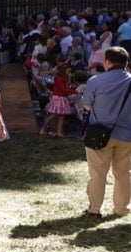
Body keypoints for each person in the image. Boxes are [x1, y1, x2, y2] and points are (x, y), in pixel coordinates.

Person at [81, 47, 131, 218]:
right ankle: (121, 209)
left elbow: (86, 106)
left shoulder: (96, 81)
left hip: (99, 134)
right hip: (127, 135)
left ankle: (94, 209)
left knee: (98, 173)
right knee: (123, 173)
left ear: (107, 62)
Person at [39, 63, 74, 137]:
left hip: (63, 98)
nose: (69, 73)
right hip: (58, 98)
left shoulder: (65, 79)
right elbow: (64, 90)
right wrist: (75, 92)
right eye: (68, 71)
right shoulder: (59, 79)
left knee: (62, 116)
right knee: (54, 115)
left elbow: (67, 88)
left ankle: (59, 132)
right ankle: (43, 128)